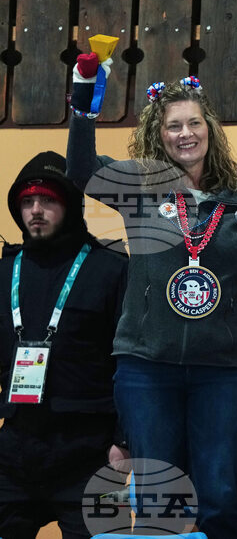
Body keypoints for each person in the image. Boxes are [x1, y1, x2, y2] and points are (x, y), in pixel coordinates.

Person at [66, 58, 237, 538]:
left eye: (194, 123)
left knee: (221, 497)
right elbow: (80, 172)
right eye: (173, 126)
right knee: (160, 503)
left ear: (210, 128)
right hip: (146, 368)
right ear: (157, 135)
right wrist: (83, 107)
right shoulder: (141, 190)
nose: (186, 134)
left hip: (221, 371)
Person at [0, 152, 128, 539]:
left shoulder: (112, 269)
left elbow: (130, 365)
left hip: (92, 451)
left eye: (48, 200)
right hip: (16, 447)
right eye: (27, 201)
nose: (36, 211)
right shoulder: (5, 271)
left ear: (69, 205)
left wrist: (125, 441)